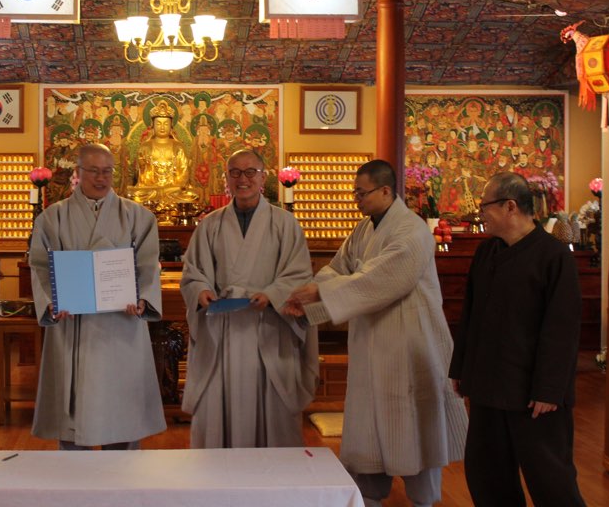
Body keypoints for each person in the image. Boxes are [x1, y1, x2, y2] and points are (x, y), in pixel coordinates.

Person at [284, 159, 467, 507]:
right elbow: (338, 268)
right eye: (355, 193)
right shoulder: (364, 229)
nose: (357, 200)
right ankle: (369, 494)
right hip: (372, 343)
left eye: (362, 193)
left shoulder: (412, 231)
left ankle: (422, 500)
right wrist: (309, 298)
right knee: (369, 426)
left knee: (415, 427)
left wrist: (319, 293)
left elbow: (378, 280)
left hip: (410, 343)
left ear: (386, 190)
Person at [449, 171, 586, 506]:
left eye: (485, 206)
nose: (480, 214)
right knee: (487, 476)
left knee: (550, 480)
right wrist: (460, 368)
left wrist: (549, 390)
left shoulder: (553, 256)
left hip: (534, 395)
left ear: (510, 206)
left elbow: (562, 330)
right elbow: (471, 317)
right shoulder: (487, 253)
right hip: (487, 387)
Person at [28, 143, 166, 449]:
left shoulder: (138, 216)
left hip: (122, 326)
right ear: (78, 173)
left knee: (123, 415)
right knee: (74, 415)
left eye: (107, 171)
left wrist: (143, 298)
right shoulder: (53, 218)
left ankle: (123, 486)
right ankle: (76, 487)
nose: (101, 178)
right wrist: (53, 301)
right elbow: (38, 265)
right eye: (93, 171)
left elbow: (148, 265)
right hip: (72, 326)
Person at [181, 149, 318, 448]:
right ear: (226, 178)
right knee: (219, 408)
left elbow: (299, 273)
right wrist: (201, 290)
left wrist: (271, 294)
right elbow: (193, 272)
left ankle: (272, 482)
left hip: (267, 328)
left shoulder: (285, 224)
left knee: (270, 411)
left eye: (250, 172)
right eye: (235, 173)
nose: (243, 180)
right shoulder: (210, 225)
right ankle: (217, 479)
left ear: (263, 177)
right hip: (222, 330)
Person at [128, 100, 197, 204]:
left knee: (191, 195)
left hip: (173, 190)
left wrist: (171, 187)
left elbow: (183, 175)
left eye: (166, 124)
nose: (162, 127)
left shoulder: (178, 147)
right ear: (153, 125)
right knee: (133, 194)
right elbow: (142, 179)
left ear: (171, 126)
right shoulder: (145, 147)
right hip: (151, 190)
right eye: (158, 123)